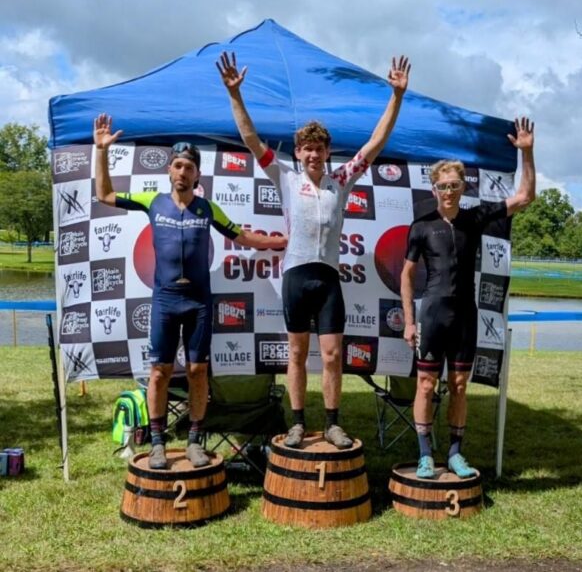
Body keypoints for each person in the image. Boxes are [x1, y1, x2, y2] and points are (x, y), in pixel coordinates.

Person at [217, 51, 411, 449]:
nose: (312, 154)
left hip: (327, 278)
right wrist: (235, 95)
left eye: (319, 149)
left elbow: (375, 144)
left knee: (334, 354)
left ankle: (334, 423)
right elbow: (251, 140)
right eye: (306, 148)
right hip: (296, 275)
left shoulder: (341, 179)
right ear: (298, 152)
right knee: (296, 353)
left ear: (327, 153)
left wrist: (396, 96)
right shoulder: (285, 177)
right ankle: (298, 424)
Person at [94, 113, 287, 469]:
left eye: (189, 168)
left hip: (198, 302)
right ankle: (156, 444)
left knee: (199, 371)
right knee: (159, 373)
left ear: (197, 175)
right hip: (165, 301)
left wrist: (285, 240)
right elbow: (104, 194)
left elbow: (244, 238)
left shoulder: (207, 208)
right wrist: (101, 151)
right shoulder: (152, 202)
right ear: (170, 170)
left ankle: (195, 440)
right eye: (177, 165)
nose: (182, 172)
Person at [401, 117, 536, 478]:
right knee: (426, 385)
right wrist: (410, 322)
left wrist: (527, 152)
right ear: (434, 189)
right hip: (432, 315)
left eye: (454, 185)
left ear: (463, 187)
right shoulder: (421, 226)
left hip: (465, 316)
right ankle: (426, 455)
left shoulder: (475, 218)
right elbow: (406, 274)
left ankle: (456, 453)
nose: (448, 191)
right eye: (442, 186)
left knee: (460, 385)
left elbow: (525, 197)